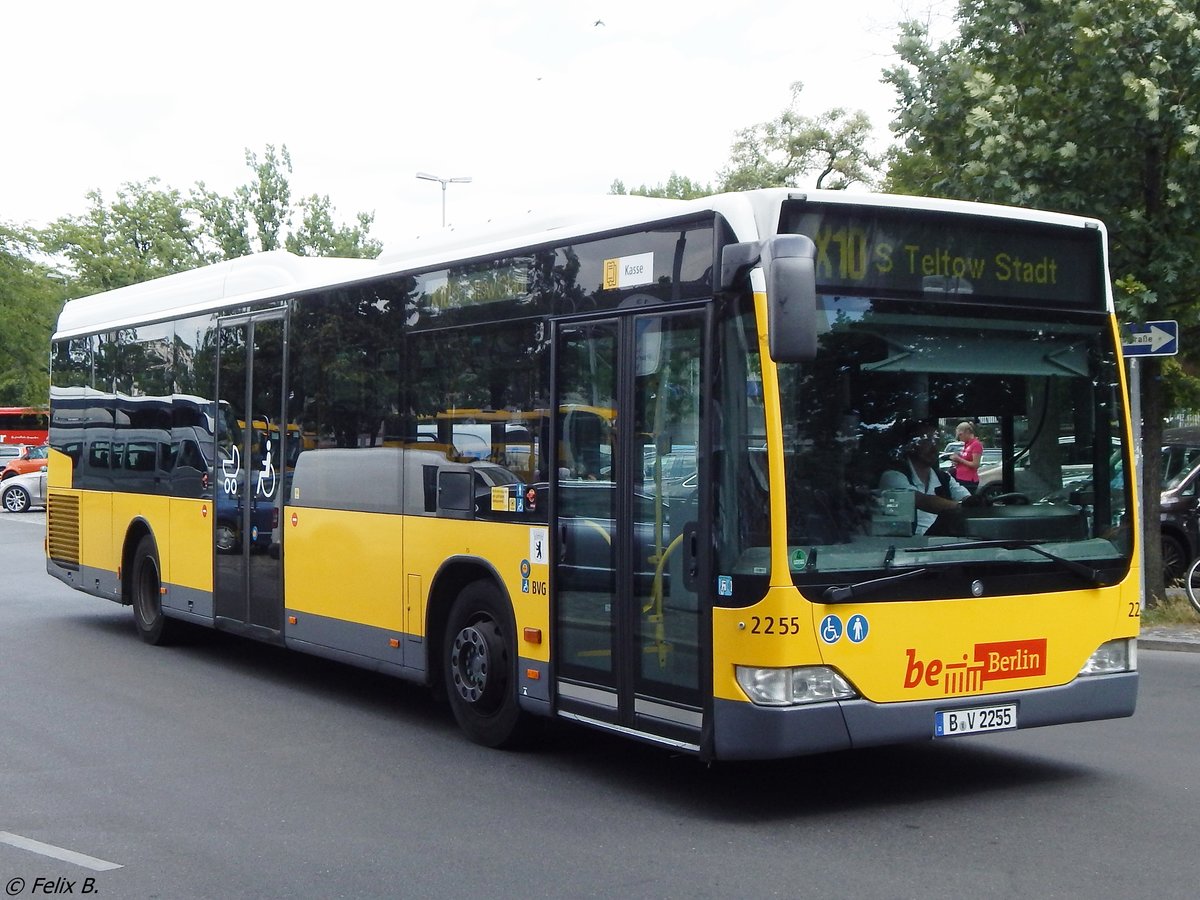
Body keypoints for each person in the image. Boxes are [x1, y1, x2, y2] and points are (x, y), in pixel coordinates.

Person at [879, 420, 973, 535]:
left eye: (936, 440)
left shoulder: (944, 478)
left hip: (943, 544)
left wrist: (975, 503)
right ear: (910, 445)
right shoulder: (893, 476)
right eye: (926, 441)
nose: (934, 448)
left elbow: (966, 499)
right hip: (909, 548)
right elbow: (920, 500)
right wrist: (960, 507)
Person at [949, 421, 984, 493]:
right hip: (960, 477)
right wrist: (957, 462)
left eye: (960, 435)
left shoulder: (976, 444)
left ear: (967, 432)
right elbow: (965, 460)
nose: (960, 438)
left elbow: (975, 464)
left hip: (968, 480)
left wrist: (959, 459)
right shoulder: (967, 444)